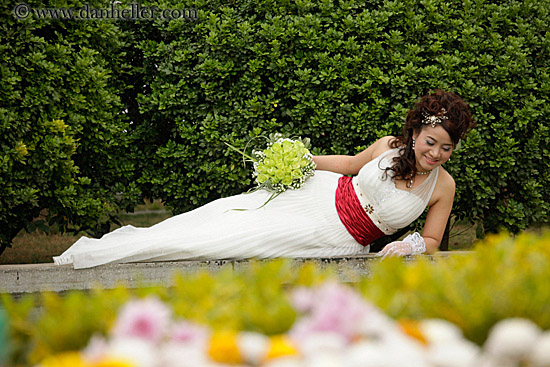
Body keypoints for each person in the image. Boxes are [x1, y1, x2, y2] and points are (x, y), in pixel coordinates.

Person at [54, 89, 474, 269]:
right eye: (430, 142)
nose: (435, 154)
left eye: (446, 148)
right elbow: (348, 165)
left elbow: (434, 241)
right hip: (313, 198)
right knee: (222, 220)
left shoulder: (443, 187)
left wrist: (411, 244)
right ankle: (120, 253)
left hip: (341, 237)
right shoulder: (386, 146)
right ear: (416, 131)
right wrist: (303, 161)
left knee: (242, 247)